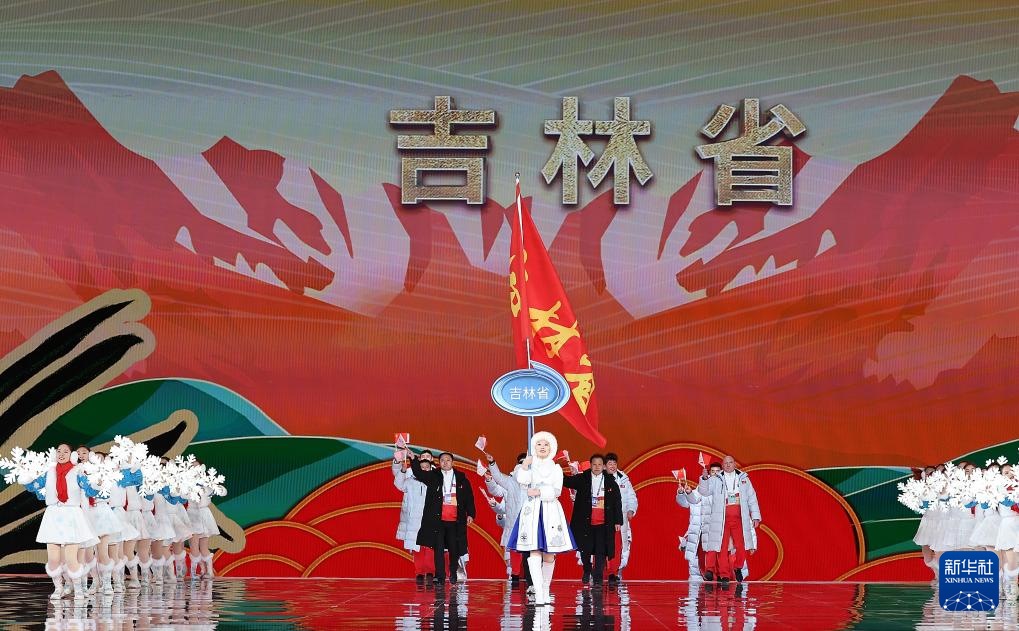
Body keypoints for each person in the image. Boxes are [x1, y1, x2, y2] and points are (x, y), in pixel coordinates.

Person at [507, 431, 576, 607]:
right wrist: (525, 465)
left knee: (549, 554)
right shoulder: (529, 466)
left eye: (546, 444)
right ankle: (538, 591)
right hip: (532, 512)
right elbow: (522, 481)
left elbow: (557, 490)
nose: (542, 447)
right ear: (533, 447)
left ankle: (545, 589)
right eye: (539, 444)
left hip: (550, 511)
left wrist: (539, 491)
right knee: (534, 550)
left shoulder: (556, 468)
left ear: (551, 448)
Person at [409, 451, 476, 586]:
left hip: (455, 519)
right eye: (442, 460)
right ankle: (440, 576)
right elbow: (419, 474)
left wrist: (470, 514)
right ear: (439, 463)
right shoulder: (433, 476)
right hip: (437, 519)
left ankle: (453, 573)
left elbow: (469, 497)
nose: (445, 462)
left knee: (453, 548)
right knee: (438, 548)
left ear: (452, 462)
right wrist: (413, 459)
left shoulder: (461, 478)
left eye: (448, 460)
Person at [37, 444, 93, 601]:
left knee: (70, 559)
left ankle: (78, 589)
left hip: (71, 515)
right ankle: (58, 588)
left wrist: (98, 482)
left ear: (72, 455)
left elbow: (90, 490)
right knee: (53, 560)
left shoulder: (77, 471)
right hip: (53, 515)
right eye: (59, 451)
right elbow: (35, 487)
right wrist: (26, 475)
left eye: (65, 451)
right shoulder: (49, 472)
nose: (61, 454)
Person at [698, 455, 761, 585]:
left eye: (730, 462)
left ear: (734, 464)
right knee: (722, 548)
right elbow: (704, 492)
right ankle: (724, 575)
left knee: (741, 546)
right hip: (722, 519)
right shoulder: (716, 479)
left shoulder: (744, 479)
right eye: (725, 463)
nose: (728, 465)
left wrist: (755, 516)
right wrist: (704, 479)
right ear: (722, 465)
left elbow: (752, 498)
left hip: (739, 518)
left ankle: (738, 567)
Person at [563, 454, 623, 586]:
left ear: (604, 466)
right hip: (585, 522)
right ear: (590, 465)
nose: (597, 467)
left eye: (599, 464)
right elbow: (566, 481)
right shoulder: (582, 478)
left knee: (601, 551)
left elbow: (617, 503)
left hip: (604, 523)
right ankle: (587, 569)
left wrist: (618, 521)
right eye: (594, 464)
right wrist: (553, 469)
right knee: (585, 549)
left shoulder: (611, 482)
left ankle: (598, 578)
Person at [485, 451, 530, 587]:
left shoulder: (534, 482)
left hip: (530, 522)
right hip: (514, 522)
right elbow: (498, 478)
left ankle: (531, 577)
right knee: (515, 550)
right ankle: (515, 575)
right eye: (521, 463)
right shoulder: (511, 482)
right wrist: (492, 463)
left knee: (531, 550)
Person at [393, 449, 434, 583]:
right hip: (414, 520)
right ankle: (419, 573)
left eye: (427, 467)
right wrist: (403, 471)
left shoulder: (434, 481)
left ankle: (430, 572)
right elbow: (399, 485)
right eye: (422, 467)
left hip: (430, 519)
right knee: (417, 548)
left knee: (430, 547)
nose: (424, 469)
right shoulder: (410, 481)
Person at [604, 453, 637, 584]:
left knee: (621, 545)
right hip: (604, 517)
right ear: (605, 466)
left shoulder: (623, 478)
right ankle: (601, 572)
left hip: (621, 518)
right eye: (610, 464)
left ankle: (616, 572)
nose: (612, 466)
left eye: (614, 463)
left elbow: (631, 496)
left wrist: (631, 510)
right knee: (603, 545)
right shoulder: (599, 477)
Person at [675, 477, 703, 581]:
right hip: (696, 534)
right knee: (695, 570)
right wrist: (681, 493)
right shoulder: (693, 493)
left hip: (713, 536)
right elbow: (684, 503)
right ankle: (694, 590)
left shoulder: (721, 494)